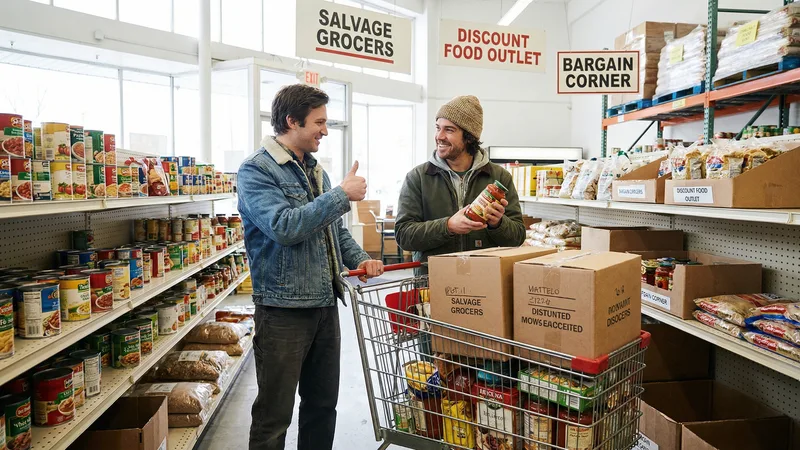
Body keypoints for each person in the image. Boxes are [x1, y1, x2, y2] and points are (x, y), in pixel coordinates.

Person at [237, 83, 384, 450]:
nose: (325, 130)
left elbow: (334, 233)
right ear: (292, 121)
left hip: (324, 305)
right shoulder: (257, 171)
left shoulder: (317, 172)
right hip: (282, 311)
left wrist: (362, 260)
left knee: (322, 406)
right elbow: (284, 227)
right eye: (319, 122)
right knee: (274, 414)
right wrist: (341, 196)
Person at [395, 95, 526, 271]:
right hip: (433, 282)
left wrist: (498, 224)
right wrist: (448, 226)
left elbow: (517, 237)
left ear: (469, 137)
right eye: (438, 128)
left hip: (487, 281)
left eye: (449, 130)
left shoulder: (499, 178)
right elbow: (403, 235)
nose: (439, 136)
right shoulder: (418, 177)